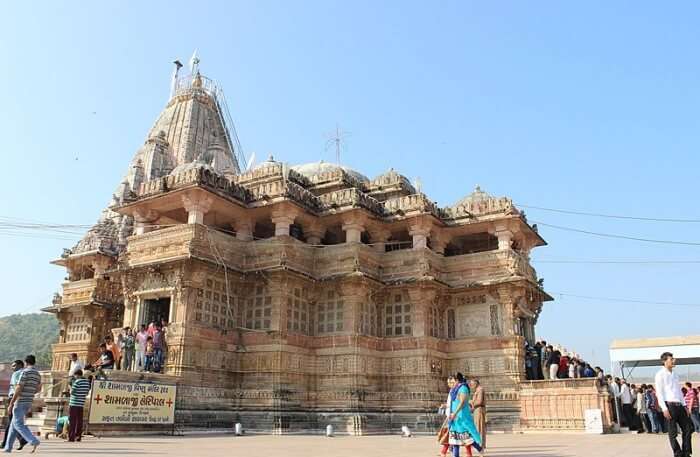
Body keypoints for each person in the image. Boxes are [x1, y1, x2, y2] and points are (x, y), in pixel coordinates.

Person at [655, 351, 693, 457]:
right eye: (671, 359)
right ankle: (678, 453)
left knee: (688, 429)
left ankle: (686, 452)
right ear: (664, 361)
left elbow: (679, 392)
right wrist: (664, 408)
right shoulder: (660, 375)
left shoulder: (675, 375)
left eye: (673, 358)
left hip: (679, 405)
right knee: (673, 433)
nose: (673, 360)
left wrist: (684, 405)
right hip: (669, 406)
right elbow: (659, 392)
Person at [4, 355, 41, 453]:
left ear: (25, 362)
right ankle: (8, 447)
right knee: (13, 425)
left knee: (18, 423)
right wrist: (30, 393)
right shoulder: (37, 374)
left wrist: (11, 403)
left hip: (20, 401)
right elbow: (38, 389)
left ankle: (33, 440)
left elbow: (19, 388)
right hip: (28, 401)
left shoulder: (25, 372)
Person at [447, 373, 482, 457]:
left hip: (461, 416)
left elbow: (462, 402)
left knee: (467, 439)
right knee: (454, 440)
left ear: (457, 380)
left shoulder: (463, 388)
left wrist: (455, 413)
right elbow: (453, 402)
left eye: (452, 380)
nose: (451, 382)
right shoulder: (454, 389)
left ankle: (480, 449)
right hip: (454, 418)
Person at [0, 360, 26, 451]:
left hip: (14, 398)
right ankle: (21, 440)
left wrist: (12, 402)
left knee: (12, 422)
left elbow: (16, 387)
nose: (12, 367)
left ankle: (22, 439)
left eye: (14, 365)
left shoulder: (16, 374)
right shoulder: (24, 373)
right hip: (22, 399)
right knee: (13, 422)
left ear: (20, 365)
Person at [67, 369, 91, 442]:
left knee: (72, 421)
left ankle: (71, 437)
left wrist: (69, 386)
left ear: (77, 375)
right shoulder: (87, 382)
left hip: (74, 403)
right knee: (79, 421)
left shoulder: (77, 382)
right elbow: (86, 393)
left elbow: (72, 392)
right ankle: (78, 436)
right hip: (81, 404)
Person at [468, 378, 486, 451]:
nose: (471, 386)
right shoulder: (477, 390)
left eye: (472, 384)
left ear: (476, 383)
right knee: (477, 427)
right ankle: (479, 444)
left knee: (480, 428)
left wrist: (472, 403)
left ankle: (481, 445)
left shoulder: (480, 390)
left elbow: (479, 401)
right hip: (476, 410)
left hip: (479, 410)